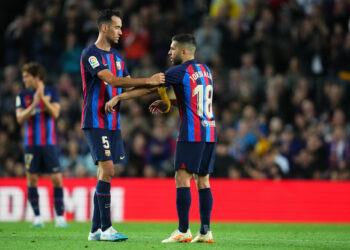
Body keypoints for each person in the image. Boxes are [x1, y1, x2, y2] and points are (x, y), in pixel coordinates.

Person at [105, 33, 216, 243]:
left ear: (184, 51)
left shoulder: (179, 70)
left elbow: (150, 86)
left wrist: (120, 96)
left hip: (191, 133)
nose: (169, 52)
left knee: (182, 178)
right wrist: (170, 103)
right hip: (210, 131)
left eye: (172, 49)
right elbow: (195, 99)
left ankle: (183, 230)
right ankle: (205, 231)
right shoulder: (205, 70)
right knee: (203, 181)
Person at [80, 9, 164, 242]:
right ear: (105, 28)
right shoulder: (91, 54)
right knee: (108, 170)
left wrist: (156, 86)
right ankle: (107, 228)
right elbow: (113, 81)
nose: (121, 31)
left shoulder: (118, 58)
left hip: (113, 123)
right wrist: (148, 79)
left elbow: (127, 87)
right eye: (117, 27)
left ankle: (95, 230)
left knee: (103, 172)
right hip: (95, 120)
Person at [16, 62, 67, 228]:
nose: (24, 80)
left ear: (36, 77)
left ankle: (59, 217)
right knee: (31, 179)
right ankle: (37, 217)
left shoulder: (52, 92)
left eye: (27, 77)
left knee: (57, 179)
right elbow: (19, 118)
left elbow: (55, 113)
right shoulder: (22, 95)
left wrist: (42, 99)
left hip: (49, 143)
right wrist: (33, 104)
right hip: (30, 144)